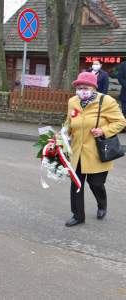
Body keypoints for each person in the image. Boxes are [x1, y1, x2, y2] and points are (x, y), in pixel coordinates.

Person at [65, 72, 126, 227]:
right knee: (76, 184)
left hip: (97, 152)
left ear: (94, 88)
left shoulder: (106, 101)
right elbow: (68, 122)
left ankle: (102, 204)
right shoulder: (73, 101)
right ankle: (78, 215)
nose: (81, 90)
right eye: (78, 88)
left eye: (85, 87)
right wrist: (63, 135)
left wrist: (103, 131)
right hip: (77, 152)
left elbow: (120, 122)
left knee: (96, 184)